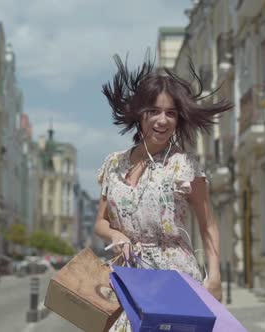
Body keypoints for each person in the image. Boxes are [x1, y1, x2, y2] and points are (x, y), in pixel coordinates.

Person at [94, 55, 232, 331]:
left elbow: (208, 225)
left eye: (171, 113)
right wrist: (116, 235)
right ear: (139, 113)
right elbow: (100, 222)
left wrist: (215, 276)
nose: (162, 120)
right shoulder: (114, 164)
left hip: (174, 279)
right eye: (154, 111)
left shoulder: (184, 165)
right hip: (127, 278)